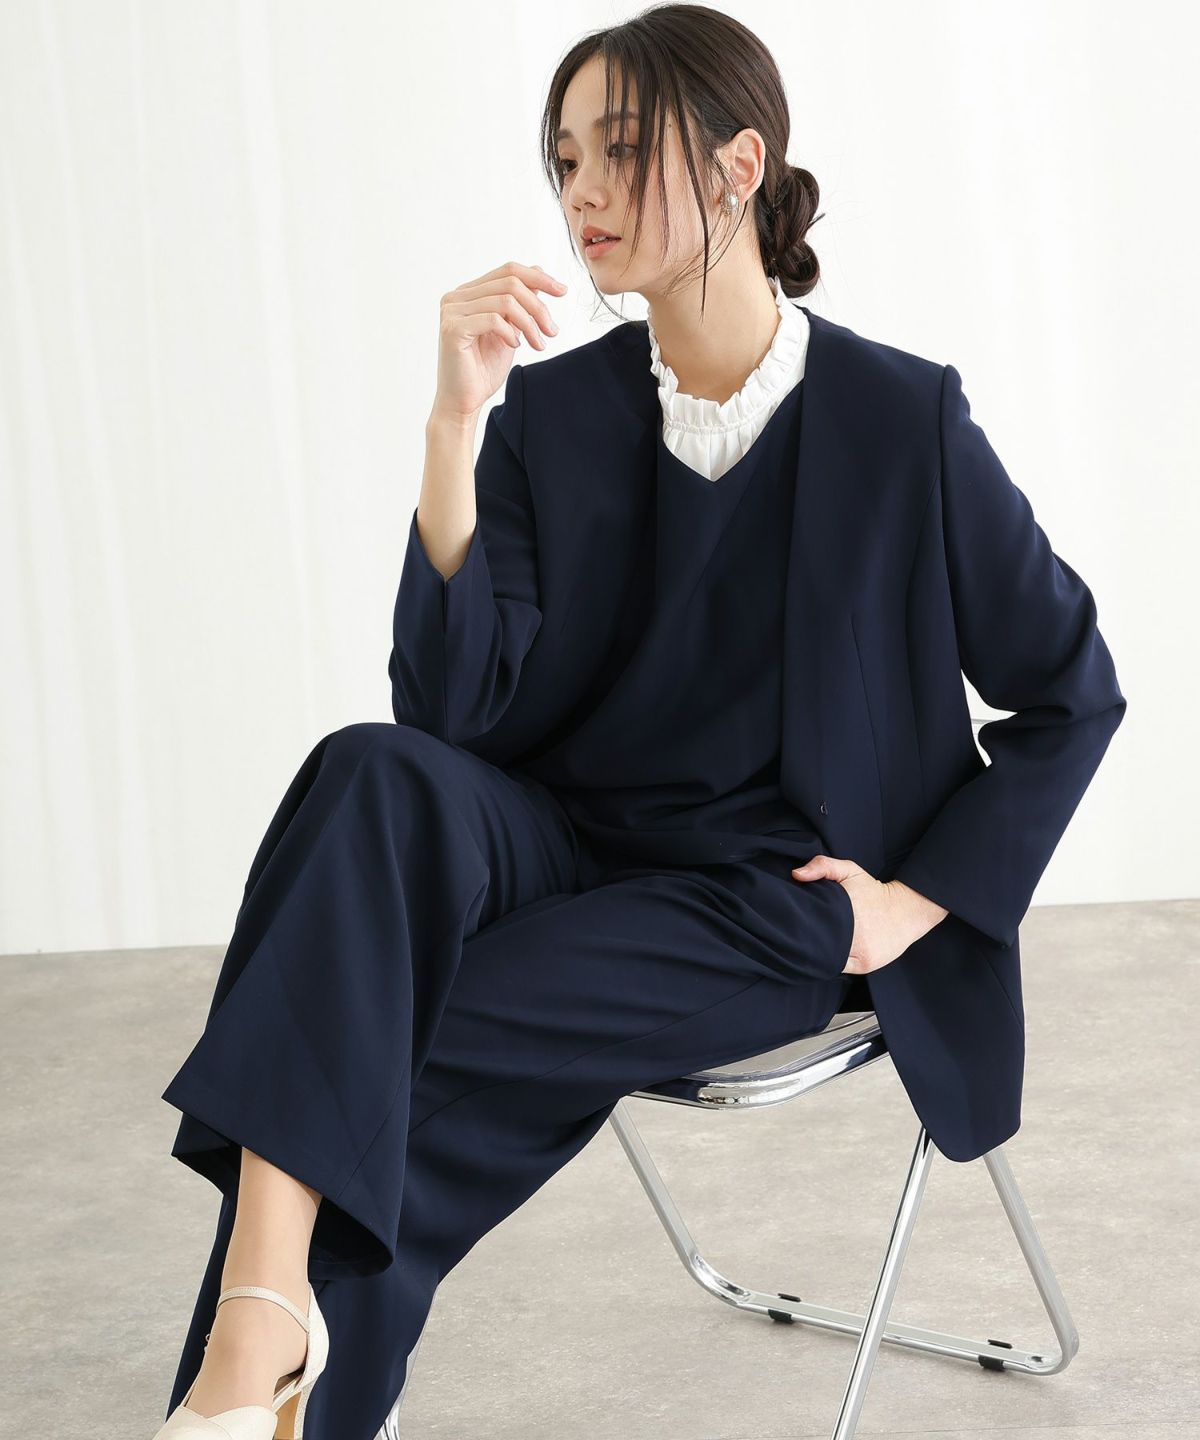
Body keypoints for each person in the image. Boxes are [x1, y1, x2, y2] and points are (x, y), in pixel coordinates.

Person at [152, 7, 1126, 1438]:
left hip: (766, 898)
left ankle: (260, 1373)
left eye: (619, 151)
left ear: (740, 165)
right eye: (565, 161)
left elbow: (1073, 690)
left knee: (383, 1033)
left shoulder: (899, 420)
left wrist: (912, 904)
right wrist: (452, 428)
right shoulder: (550, 415)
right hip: (567, 849)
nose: (583, 192)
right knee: (369, 774)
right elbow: (450, 714)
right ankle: (264, 1343)